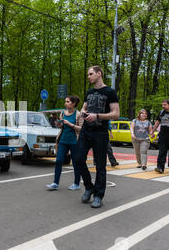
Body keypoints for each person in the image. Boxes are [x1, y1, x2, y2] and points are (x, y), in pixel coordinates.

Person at [75, 66, 120, 208]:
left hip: (100, 132)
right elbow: (84, 107)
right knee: (78, 159)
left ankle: (98, 195)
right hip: (86, 131)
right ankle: (89, 187)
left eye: (90, 74)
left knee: (100, 165)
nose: (88, 77)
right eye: (88, 74)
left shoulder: (110, 92)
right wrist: (83, 112)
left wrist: (98, 116)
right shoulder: (90, 91)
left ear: (99, 74)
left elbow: (116, 113)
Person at [46, 95, 84, 191]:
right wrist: (59, 124)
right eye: (65, 101)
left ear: (73, 103)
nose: (65, 103)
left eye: (67, 101)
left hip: (74, 141)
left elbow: (82, 129)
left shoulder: (78, 114)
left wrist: (70, 124)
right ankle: (55, 183)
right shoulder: (62, 113)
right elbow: (61, 126)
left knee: (75, 163)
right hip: (63, 140)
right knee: (58, 161)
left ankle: (76, 184)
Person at [151, 99, 169, 173]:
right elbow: (157, 122)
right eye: (162, 105)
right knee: (162, 151)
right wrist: (152, 131)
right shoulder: (161, 112)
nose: (163, 106)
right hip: (163, 135)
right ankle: (160, 167)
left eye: (165, 105)